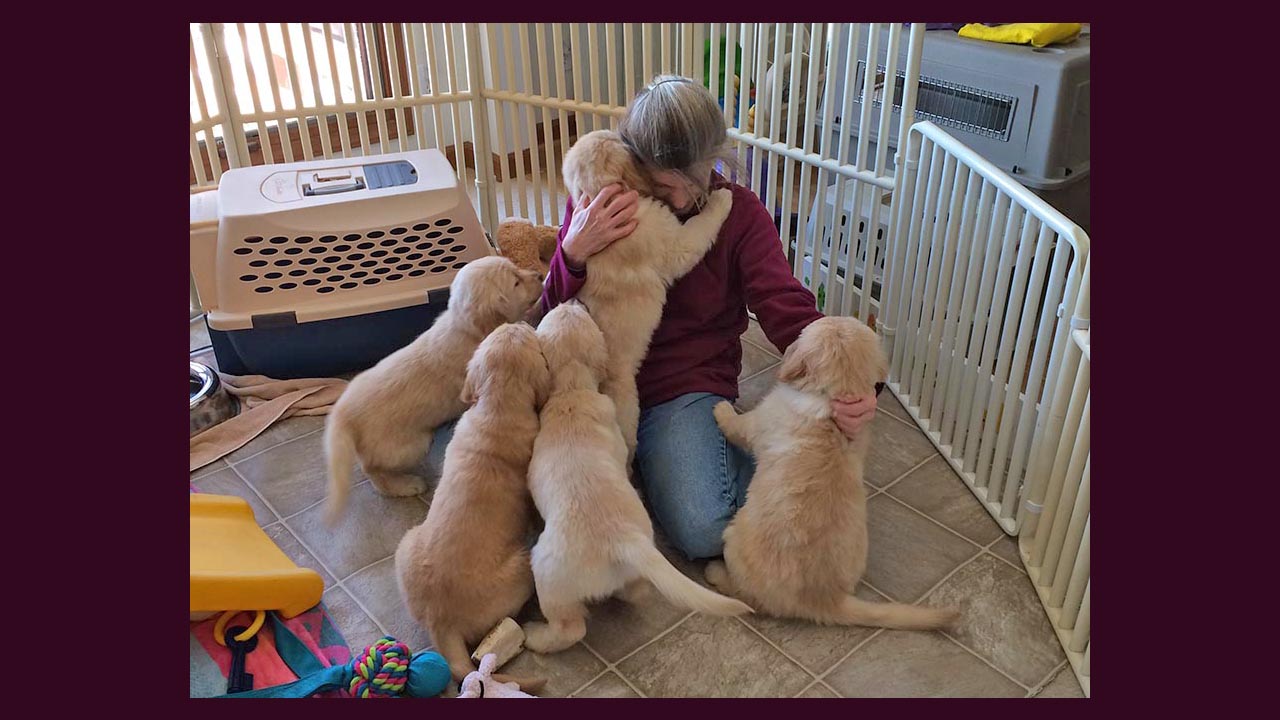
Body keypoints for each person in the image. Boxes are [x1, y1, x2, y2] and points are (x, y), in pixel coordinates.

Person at [536, 74, 880, 561]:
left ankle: (752, 453)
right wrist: (572, 252)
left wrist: (850, 381)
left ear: (714, 158)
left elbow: (784, 303)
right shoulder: (601, 198)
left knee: (703, 527)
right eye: (661, 184)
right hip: (589, 377)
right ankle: (673, 459)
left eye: (693, 180)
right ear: (633, 161)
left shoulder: (739, 213)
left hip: (682, 388)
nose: (679, 200)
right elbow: (549, 312)